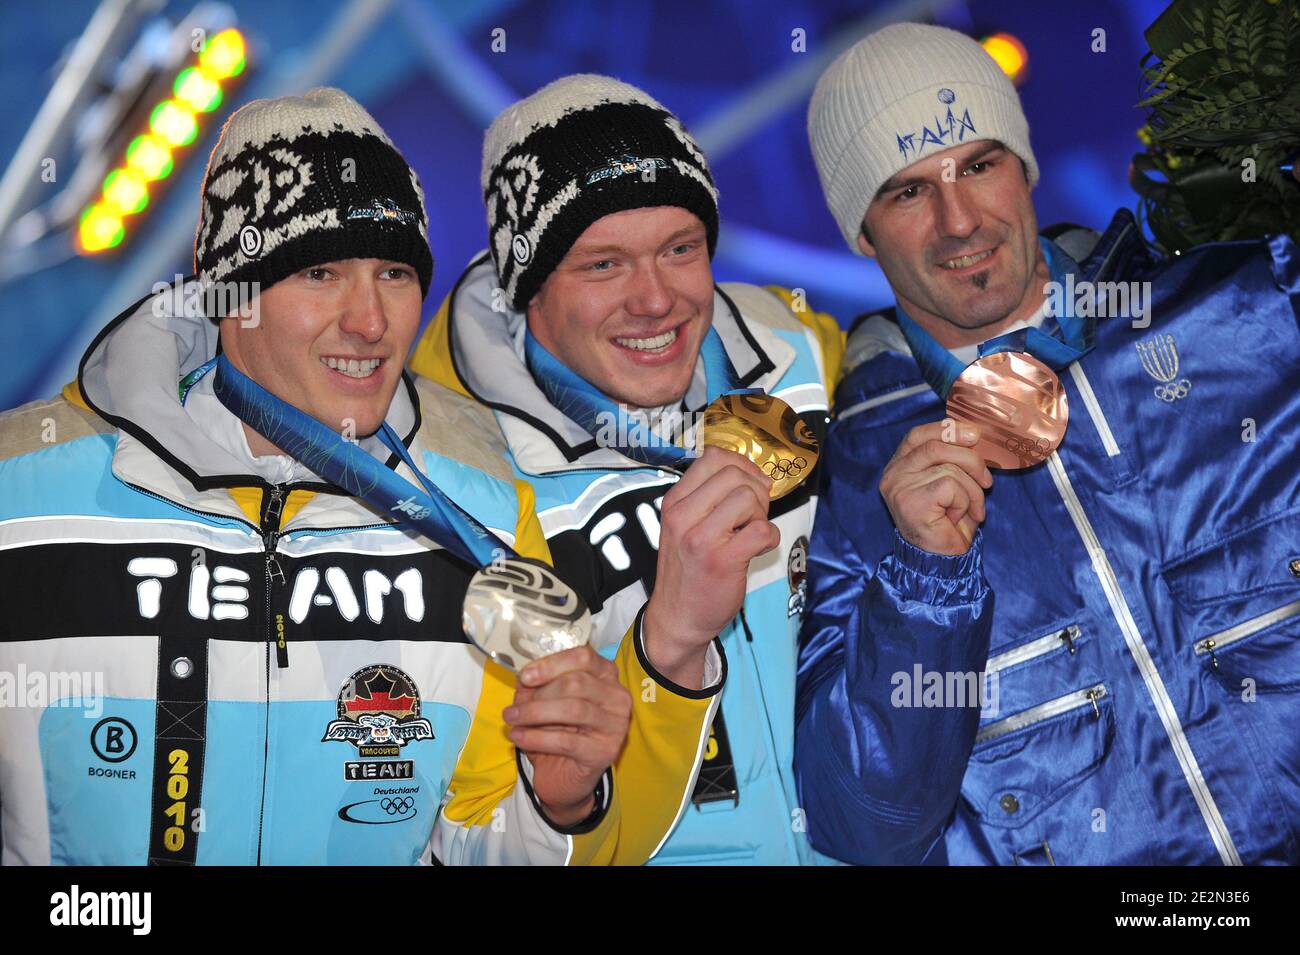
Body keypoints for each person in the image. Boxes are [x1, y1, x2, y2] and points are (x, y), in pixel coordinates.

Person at [0, 88, 716, 865]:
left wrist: (561, 799)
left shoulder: (477, 509)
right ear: (229, 295)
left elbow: (478, 841)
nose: (371, 323)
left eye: (395, 274)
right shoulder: (24, 491)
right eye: (321, 274)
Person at [408, 74, 990, 864]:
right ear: (528, 288)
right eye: (603, 264)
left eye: (680, 249)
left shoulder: (803, 353)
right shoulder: (452, 490)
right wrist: (663, 644)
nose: (655, 302)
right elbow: (464, 843)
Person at [798, 22, 1300, 865]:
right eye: (908, 192)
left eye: (980, 165)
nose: (960, 222)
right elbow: (867, 826)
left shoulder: (1242, 315)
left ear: (1024, 168)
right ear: (861, 232)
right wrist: (924, 580)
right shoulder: (850, 481)